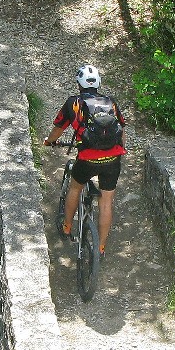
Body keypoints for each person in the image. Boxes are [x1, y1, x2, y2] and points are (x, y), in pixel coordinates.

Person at [43, 64, 126, 256]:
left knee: (75, 187)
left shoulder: (74, 103)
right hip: (113, 159)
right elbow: (122, 128)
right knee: (106, 202)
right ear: (98, 82)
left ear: (79, 83)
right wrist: (122, 149)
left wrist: (49, 141)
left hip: (87, 158)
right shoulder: (110, 102)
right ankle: (101, 247)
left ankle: (67, 225)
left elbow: (59, 128)